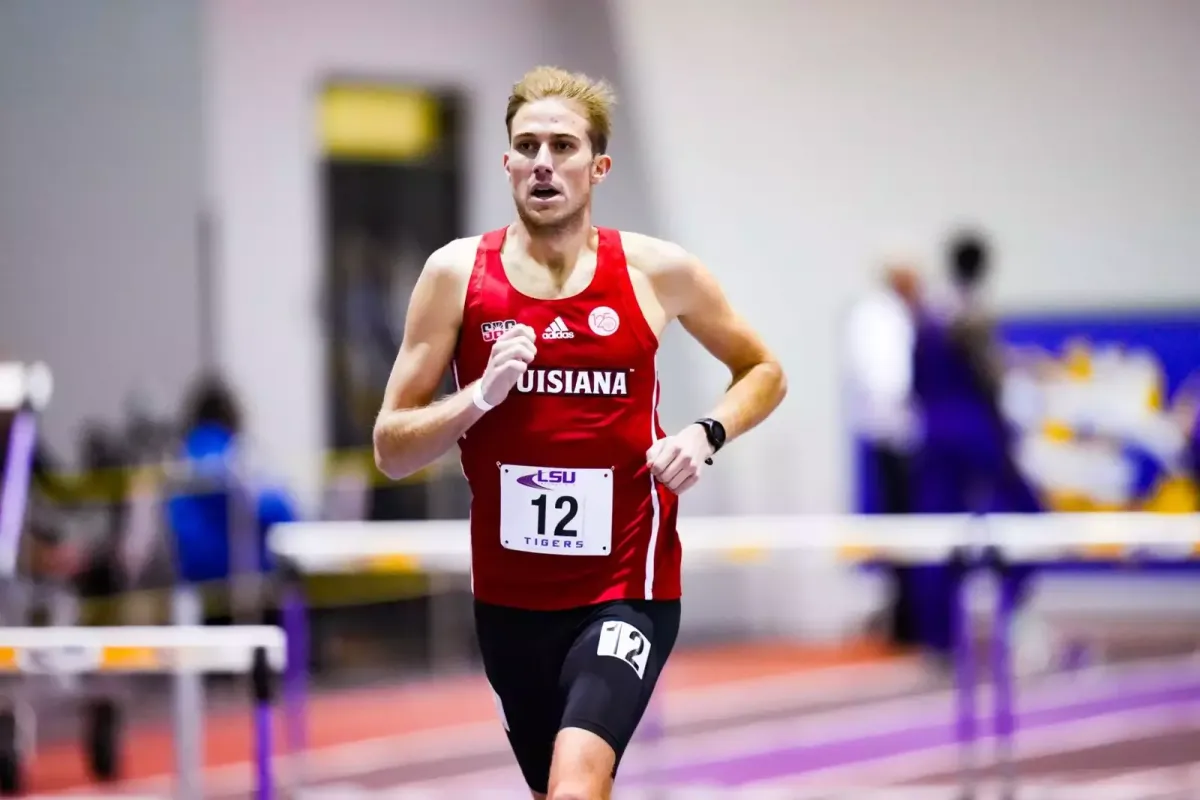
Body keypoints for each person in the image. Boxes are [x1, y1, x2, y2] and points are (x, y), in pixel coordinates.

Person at [372, 66, 786, 800]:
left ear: (598, 167)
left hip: (627, 585)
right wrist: (478, 397)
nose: (542, 163)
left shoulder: (657, 271)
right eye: (526, 146)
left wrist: (706, 432)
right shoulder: (455, 276)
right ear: (505, 164)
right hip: (509, 600)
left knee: (576, 784)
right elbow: (392, 447)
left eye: (562, 146)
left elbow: (763, 371)